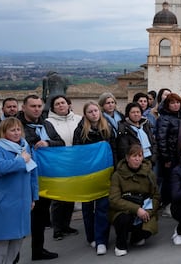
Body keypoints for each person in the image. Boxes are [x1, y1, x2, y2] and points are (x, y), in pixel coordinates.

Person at [0, 118, 38, 264]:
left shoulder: (25, 148)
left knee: (17, 240)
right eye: (12, 130)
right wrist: (21, 160)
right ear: (4, 132)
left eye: (18, 129)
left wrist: (33, 196)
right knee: (1, 242)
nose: (16, 133)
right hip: (3, 203)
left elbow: (33, 174)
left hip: (22, 202)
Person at [19, 94, 64, 261]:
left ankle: (38, 250)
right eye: (33, 106)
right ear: (24, 107)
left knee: (40, 216)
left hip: (44, 177)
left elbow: (60, 142)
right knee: (21, 218)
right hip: (23, 178)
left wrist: (48, 143)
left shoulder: (46, 124)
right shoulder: (17, 125)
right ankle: (12, 255)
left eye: (39, 106)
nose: (37, 109)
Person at [72, 101, 116, 255]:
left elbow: (114, 150)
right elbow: (78, 153)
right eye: (90, 112)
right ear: (85, 114)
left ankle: (101, 240)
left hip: (104, 174)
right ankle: (91, 237)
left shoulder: (108, 128)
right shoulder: (80, 130)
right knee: (87, 208)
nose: (94, 114)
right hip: (87, 176)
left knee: (103, 207)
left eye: (96, 110)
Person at [109, 145, 160, 257]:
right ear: (127, 158)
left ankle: (136, 237)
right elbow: (114, 199)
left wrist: (149, 211)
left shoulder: (149, 174)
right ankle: (120, 245)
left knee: (149, 228)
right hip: (123, 210)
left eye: (140, 156)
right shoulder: (117, 175)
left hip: (145, 207)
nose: (137, 159)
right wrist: (136, 209)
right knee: (123, 219)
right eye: (134, 156)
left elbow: (156, 196)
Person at [45, 95, 82, 241]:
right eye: (57, 104)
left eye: (63, 103)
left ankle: (66, 225)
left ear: (68, 104)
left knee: (71, 195)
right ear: (53, 108)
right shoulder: (48, 122)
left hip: (75, 162)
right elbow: (53, 140)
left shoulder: (78, 119)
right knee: (59, 197)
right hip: (58, 163)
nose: (61, 106)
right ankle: (57, 228)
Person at [155, 93, 181, 213]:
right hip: (170, 157)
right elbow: (161, 139)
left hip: (179, 154)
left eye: (177, 102)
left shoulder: (180, 115)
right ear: (167, 105)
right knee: (168, 180)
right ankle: (167, 204)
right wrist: (166, 158)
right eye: (172, 103)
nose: (176, 105)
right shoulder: (164, 118)